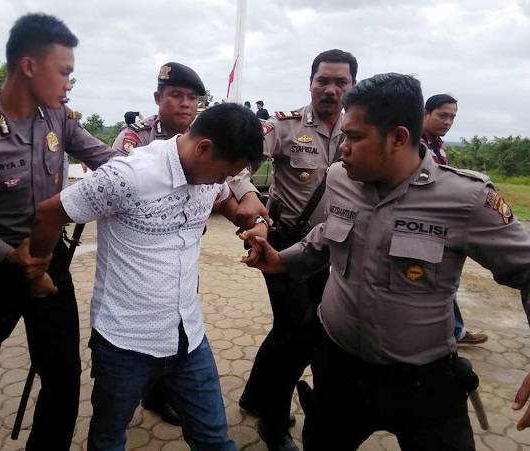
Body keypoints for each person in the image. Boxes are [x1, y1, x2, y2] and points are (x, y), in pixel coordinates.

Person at [242, 72, 530, 450]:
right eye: (344, 134)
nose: (342, 147)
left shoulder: (466, 199)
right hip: (338, 372)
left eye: (355, 137)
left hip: (424, 384)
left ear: (398, 137)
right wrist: (280, 260)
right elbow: (328, 233)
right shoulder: (340, 178)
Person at [28, 103, 267, 451]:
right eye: (222, 173)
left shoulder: (210, 171)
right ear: (204, 149)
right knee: (109, 438)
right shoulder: (126, 176)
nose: (222, 182)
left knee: (214, 438)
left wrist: (256, 224)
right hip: (125, 344)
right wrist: (38, 271)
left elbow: (228, 201)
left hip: (189, 337)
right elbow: (49, 214)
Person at [0, 13, 119, 451]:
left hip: (51, 265)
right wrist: (4, 254)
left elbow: (108, 159)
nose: (69, 84)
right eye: (65, 72)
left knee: (63, 376)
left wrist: (156, 172)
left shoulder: (58, 118)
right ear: (29, 66)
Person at [111, 61, 268, 425]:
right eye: (176, 95)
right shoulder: (136, 139)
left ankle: (161, 392)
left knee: (176, 323)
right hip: (138, 254)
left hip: (183, 251)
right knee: (130, 332)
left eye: (192, 97)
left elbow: (237, 185)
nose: (185, 104)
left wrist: (256, 216)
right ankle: (126, 386)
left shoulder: (211, 137)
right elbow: (113, 186)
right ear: (158, 98)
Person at [238, 48, 357, 450]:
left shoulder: (356, 132)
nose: (331, 89)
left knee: (303, 330)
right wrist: (251, 203)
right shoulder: (285, 126)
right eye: (323, 80)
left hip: (331, 250)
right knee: (297, 332)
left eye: (340, 82)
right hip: (286, 243)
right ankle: (272, 422)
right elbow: (240, 163)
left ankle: (254, 396)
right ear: (311, 82)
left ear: (352, 86)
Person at [422, 94, 488, 346]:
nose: (448, 122)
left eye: (452, 117)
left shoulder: (438, 144)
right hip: (423, 221)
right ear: (425, 114)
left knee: (445, 280)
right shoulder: (414, 144)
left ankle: (455, 330)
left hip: (441, 221)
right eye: (442, 115)